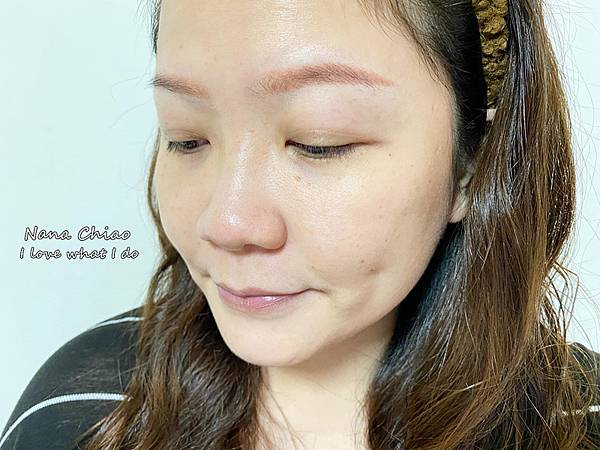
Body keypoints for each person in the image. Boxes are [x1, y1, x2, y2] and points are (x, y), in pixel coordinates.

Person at [2, 0, 600, 449]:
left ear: (474, 164)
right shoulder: (80, 408)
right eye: (187, 138)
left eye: (320, 142)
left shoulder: (579, 424)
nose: (228, 222)